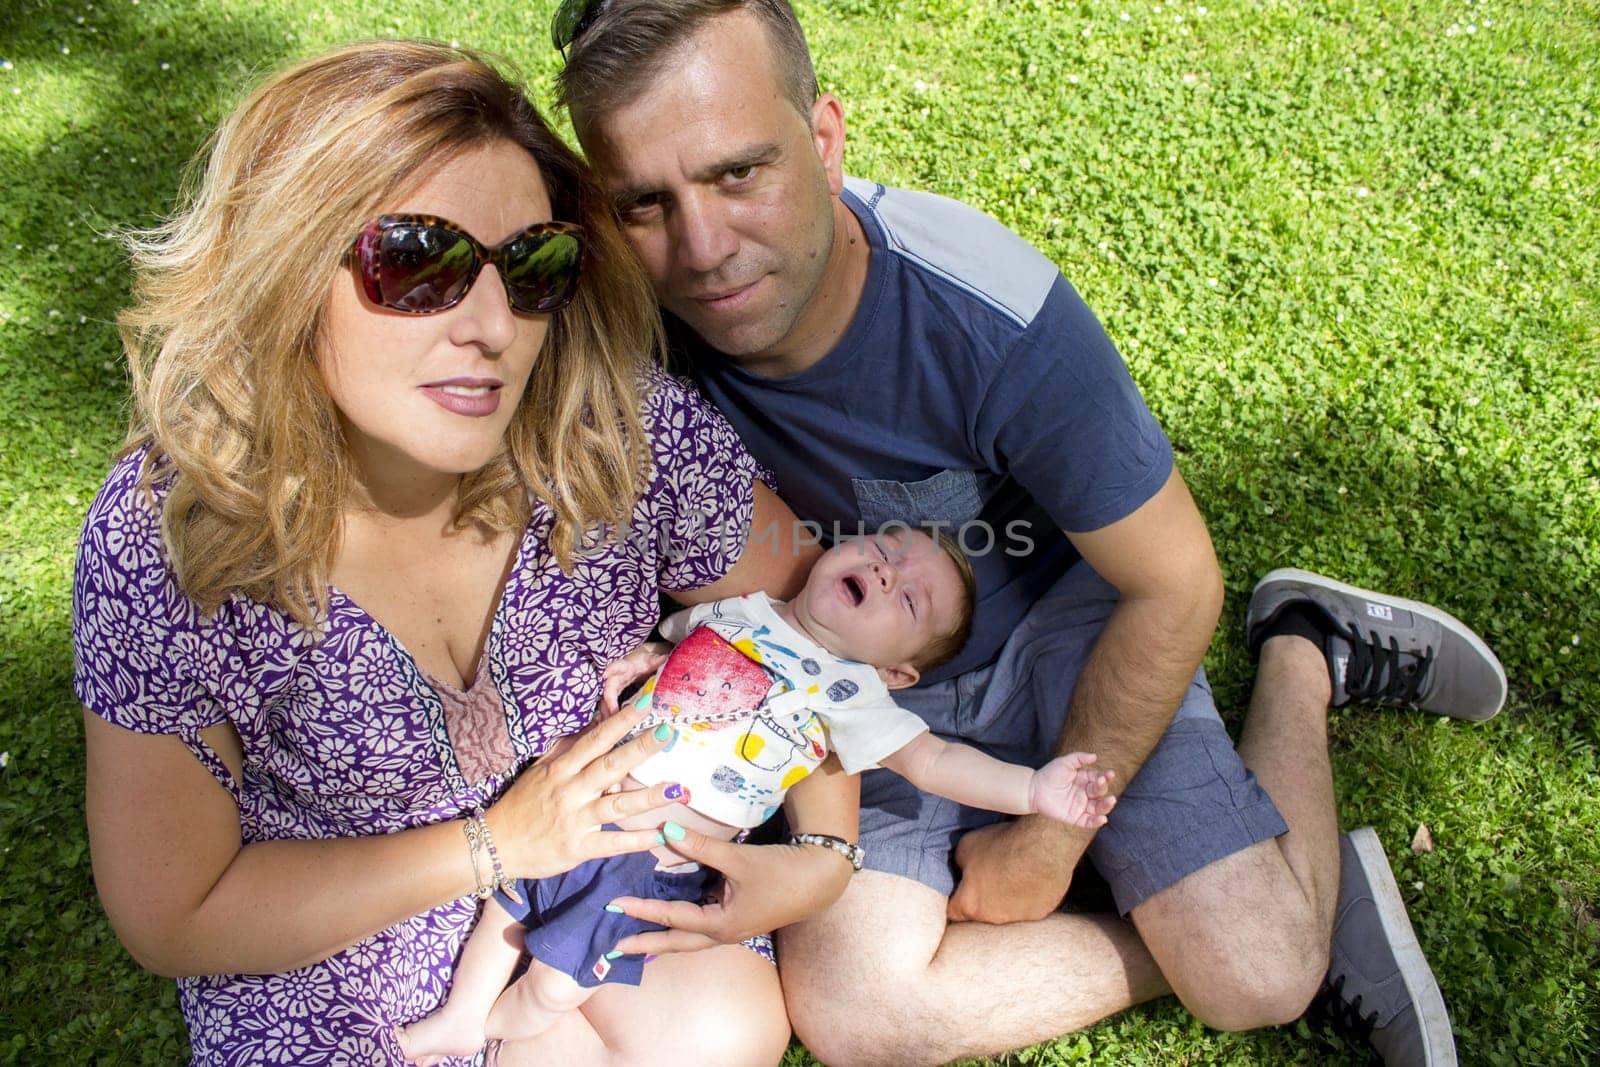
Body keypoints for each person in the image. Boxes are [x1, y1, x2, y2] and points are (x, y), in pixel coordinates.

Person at [550, 3, 1509, 1065]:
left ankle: (1300, 650)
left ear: (822, 142)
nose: (703, 249)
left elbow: (1173, 584)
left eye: (739, 174)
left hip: (1063, 632)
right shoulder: (619, 333)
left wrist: (1051, 845)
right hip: (857, 682)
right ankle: (1203, 915)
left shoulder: (987, 312)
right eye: (646, 202)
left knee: (1261, 972)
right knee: (862, 1017)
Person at [73, 39, 860, 1067]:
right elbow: (176, 913)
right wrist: (495, 844)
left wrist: (821, 851)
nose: (493, 326)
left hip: (603, 873)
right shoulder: (169, 540)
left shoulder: (618, 431)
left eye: (533, 267)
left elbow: (815, 618)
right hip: (336, 927)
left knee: (720, 1029)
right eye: (417, 263)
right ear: (284, 268)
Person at [398, 525, 1118, 1063]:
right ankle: (464, 1013)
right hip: (586, 796)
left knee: (560, 979)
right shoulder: (743, 608)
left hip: (654, 855)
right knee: (509, 901)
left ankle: (499, 1025)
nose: (885, 570)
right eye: (887, 549)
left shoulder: (852, 693)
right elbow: (676, 644)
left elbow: (933, 761)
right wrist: (650, 656)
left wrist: (1033, 788)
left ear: (898, 673)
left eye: (909, 596)